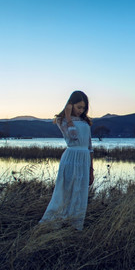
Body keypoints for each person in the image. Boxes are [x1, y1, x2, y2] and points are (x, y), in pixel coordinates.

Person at [39, 90, 94, 230]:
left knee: (80, 191)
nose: (81, 111)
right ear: (70, 105)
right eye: (78, 107)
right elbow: (73, 136)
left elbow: (89, 146)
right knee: (66, 189)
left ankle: (74, 224)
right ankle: (55, 222)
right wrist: (68, 116)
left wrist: (91, 169)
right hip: (71, 158)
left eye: (84, 108)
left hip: (84, 159)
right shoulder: (62, 120)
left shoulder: (85, 121)